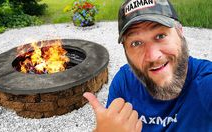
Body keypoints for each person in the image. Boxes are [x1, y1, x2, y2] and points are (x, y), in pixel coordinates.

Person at [83, 0, 212, 131]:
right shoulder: (124, 82)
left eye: (160, 35)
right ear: (125, 50)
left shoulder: (206, 82)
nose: (153, 56)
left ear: (180, 32)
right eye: (136, 43)